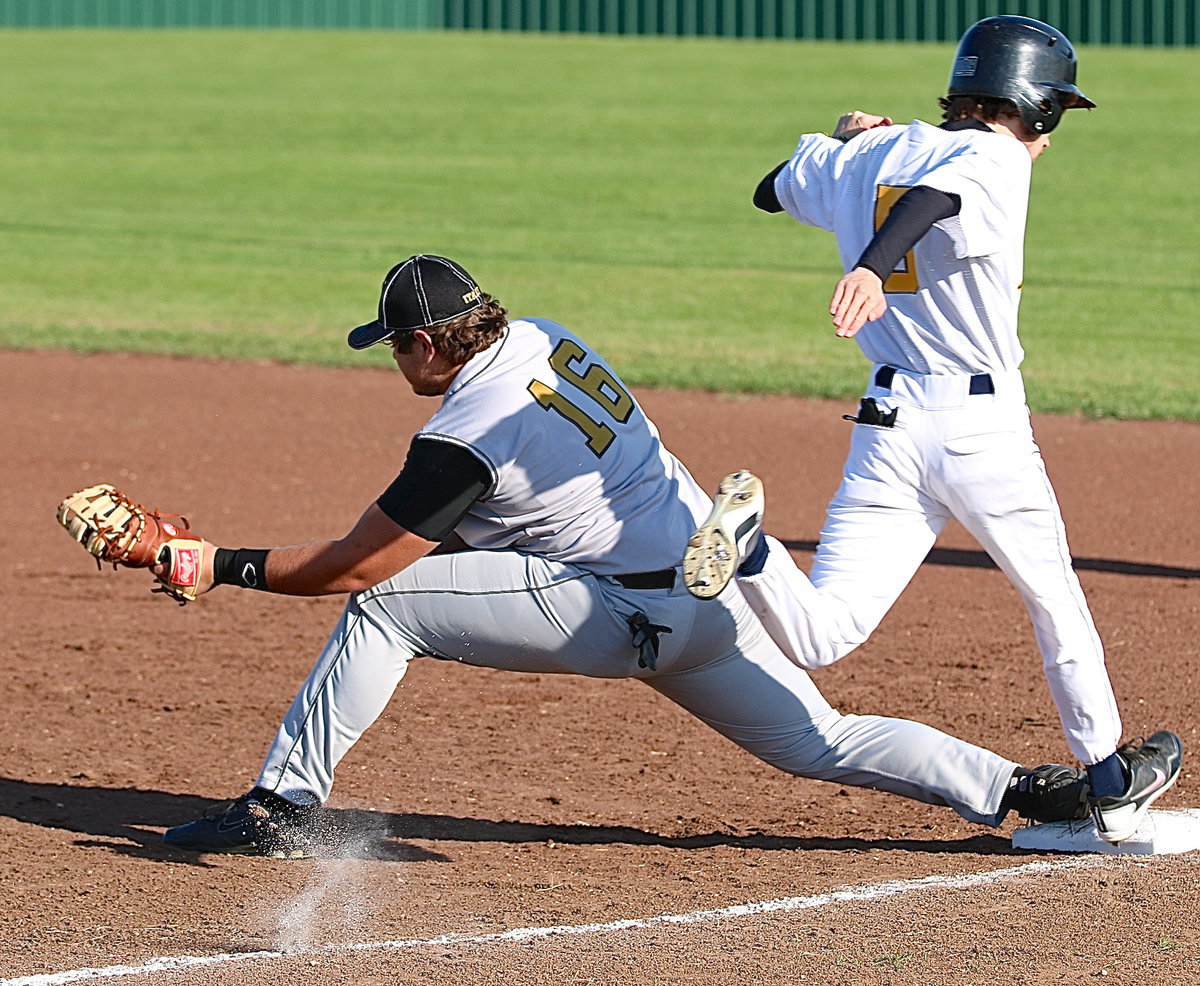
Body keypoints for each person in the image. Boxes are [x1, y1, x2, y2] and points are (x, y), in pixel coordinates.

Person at [157, 253, 1087, 857]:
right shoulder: (548, 341)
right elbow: (507, 506)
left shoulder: (463, 429)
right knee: (821, 738)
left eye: (397, 344)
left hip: (619, 612)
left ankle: (280, 806)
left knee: (383, 606)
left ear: (433, 342)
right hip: (705, 590)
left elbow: (357, 566)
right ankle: (1032, 789)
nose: (394, 359)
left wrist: (215, 564)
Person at [681, 16, 1181, 845]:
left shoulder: (863, 153)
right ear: (1037, 108)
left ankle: (754, 549)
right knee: (1054, 600)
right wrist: (873, 267)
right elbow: (934, 197)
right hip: (980, 433)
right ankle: (1107, 780)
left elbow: (770, 187)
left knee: (824, 631)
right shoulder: (995, 156)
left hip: (885, 428)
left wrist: (848, 150)